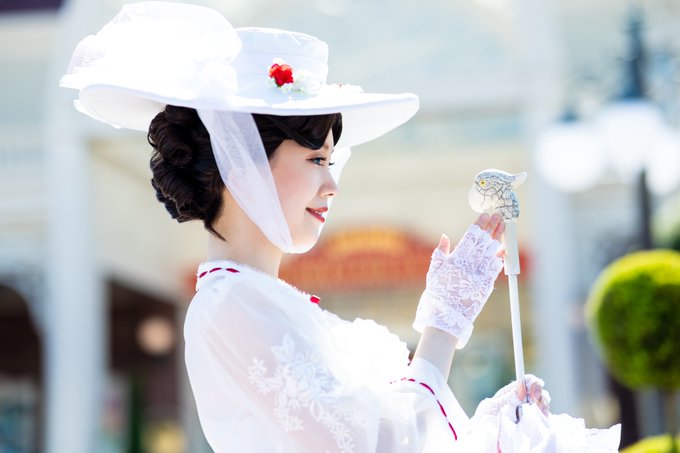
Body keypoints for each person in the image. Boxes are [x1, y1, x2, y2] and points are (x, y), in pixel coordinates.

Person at [60, 2, 554, 452]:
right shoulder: (230, 303)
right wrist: (444, 324)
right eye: (317, 159)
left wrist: (499, 432)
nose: (332, 185)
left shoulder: (259, 298)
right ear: (244, 162)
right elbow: (374, 446)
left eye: (330, 161)